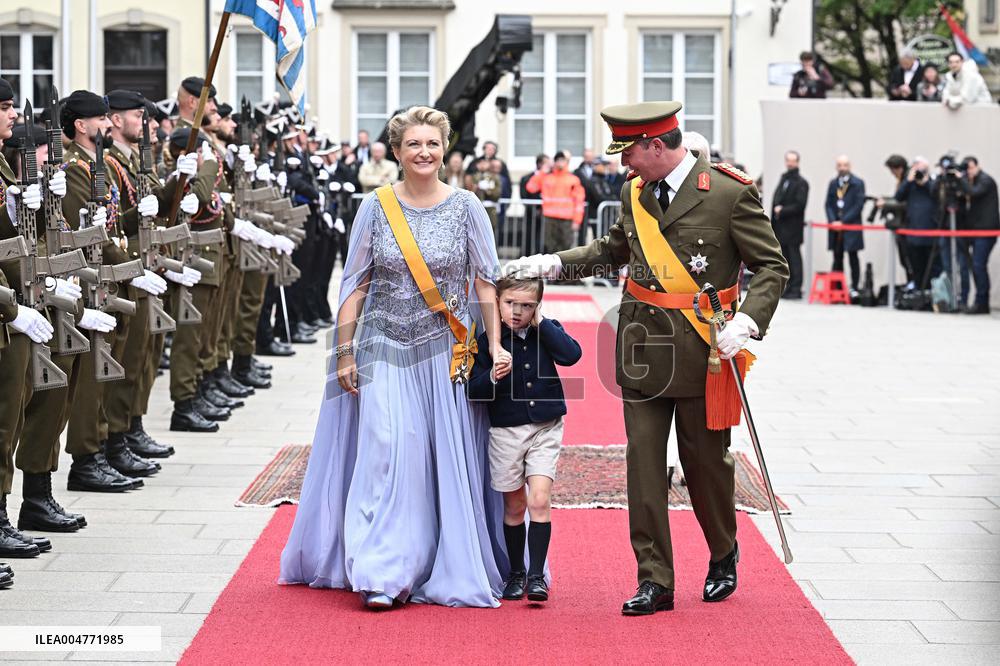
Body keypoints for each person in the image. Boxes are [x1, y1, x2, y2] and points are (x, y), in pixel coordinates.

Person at [509, 100, 788, 614]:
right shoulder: (633, 192)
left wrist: (747, 322)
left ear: (656, 146)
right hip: (642, 348)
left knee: (705, 465)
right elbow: (614, 250)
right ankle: (655, 579)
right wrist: (555, 263)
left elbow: (771, 266)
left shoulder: (728, 192)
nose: (624, 164)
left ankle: (723, 552)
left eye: (629, 152)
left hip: (705, 349)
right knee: (642, 467)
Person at [279, 105, 513, 609]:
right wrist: (343, 353)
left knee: (437, 460)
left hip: (446, 350)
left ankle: (432, 557)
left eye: (431, 143)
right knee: (390, 448)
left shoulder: (468, 206)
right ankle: (385, 570)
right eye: (413, 144)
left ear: (444, 148)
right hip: (382, 345)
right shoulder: (375, 206)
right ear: (397, 151)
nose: (423, 152)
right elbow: (354, 283)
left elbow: (485, 282)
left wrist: (494, 344)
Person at [467, 274, 582, 603]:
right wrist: (491, 376)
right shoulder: (490, 339)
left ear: (538, 306)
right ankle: (516, 572)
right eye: (510, 303)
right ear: (498, 302)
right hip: (506, 430)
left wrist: (543, 323)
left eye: (527, 306)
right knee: (515, 506)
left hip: (545, 427)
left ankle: (536, 576)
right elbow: (474, 390)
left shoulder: (545, 330)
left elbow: (572, 355)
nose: (517, 311)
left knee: (539, 500)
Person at [956, 157, 999, 314]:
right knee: (975, 266)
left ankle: (982, 303)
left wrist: (961, 180)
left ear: (977, 166)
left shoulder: (985, 181)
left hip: (986, 231)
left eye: (970, 168)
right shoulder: (971, 181)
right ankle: (978, 302)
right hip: (974, 230)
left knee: (978, 265)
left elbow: (973, 193)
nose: (968, 172)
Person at [525, 151, 585, 254]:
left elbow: (579, 202)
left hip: (566, 220)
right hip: (550, 218)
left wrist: (577, 220)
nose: (560, 163)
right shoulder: (546, 177)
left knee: (566, 248)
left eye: (563, 160)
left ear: (567, 162)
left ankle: (564, 270)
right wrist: (542, 172)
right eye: (558, 160)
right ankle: (553, 270)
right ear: (554, 162)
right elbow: (530, 188)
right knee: (550, 247)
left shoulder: (573, 180)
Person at [894, 157, 938, 290]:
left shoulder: (933, 182)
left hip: (930, 232)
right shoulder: (910, 184)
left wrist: (925, 182)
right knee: (915, 265)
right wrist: (908, 181)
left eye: (921, 168)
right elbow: (898, 197)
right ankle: (918, 291)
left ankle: (930, 294)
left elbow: (937, 195)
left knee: (931, 267)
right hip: (913, 232)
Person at [825, 155, 866, 293]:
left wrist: (843, 222)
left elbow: (858, 205)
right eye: (840, 165)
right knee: (837, 257)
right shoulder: (833, 183)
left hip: (850, 226)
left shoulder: (858, 183)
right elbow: (828, 204)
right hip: (836, 228)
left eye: (845, 165)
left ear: (850, 166)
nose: (842, 168)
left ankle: (855, 287)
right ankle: (838, 288)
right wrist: (833, 221)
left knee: (853, 257)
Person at [771, 150, 809, 299]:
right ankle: (788, 286)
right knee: (784, 258)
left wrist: (783, 210)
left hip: (793, 228)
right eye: (788, 160)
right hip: (780, 227)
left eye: (792, 161)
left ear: (797, 162)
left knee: (794, 257)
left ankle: (796, 288)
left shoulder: (801, 183)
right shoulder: (783, 179)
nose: (790, 163)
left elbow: (800, 205)